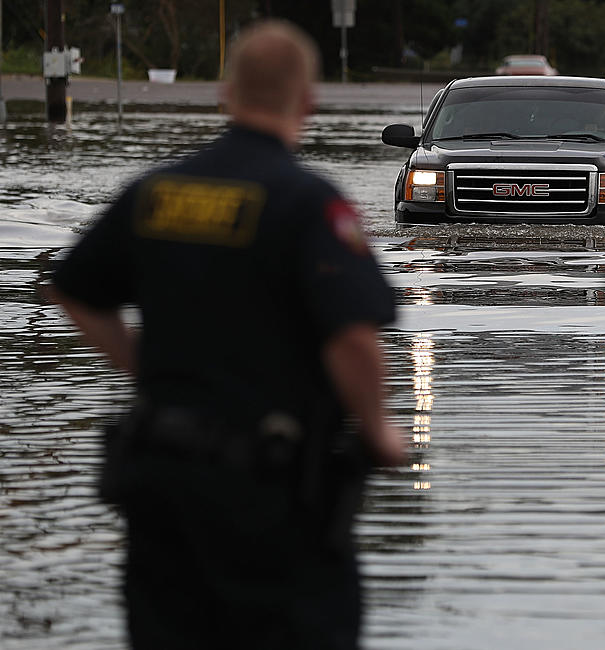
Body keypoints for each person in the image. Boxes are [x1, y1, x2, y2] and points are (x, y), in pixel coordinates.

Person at [49, 20, 405, 649]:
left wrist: (144, 367)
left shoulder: (155, 193)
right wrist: (378, 434)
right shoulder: (308, 204)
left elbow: (74, 291)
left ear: (226, 94)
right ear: (308, 103)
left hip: (162, 491)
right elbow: (353, 340)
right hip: (270, 500)